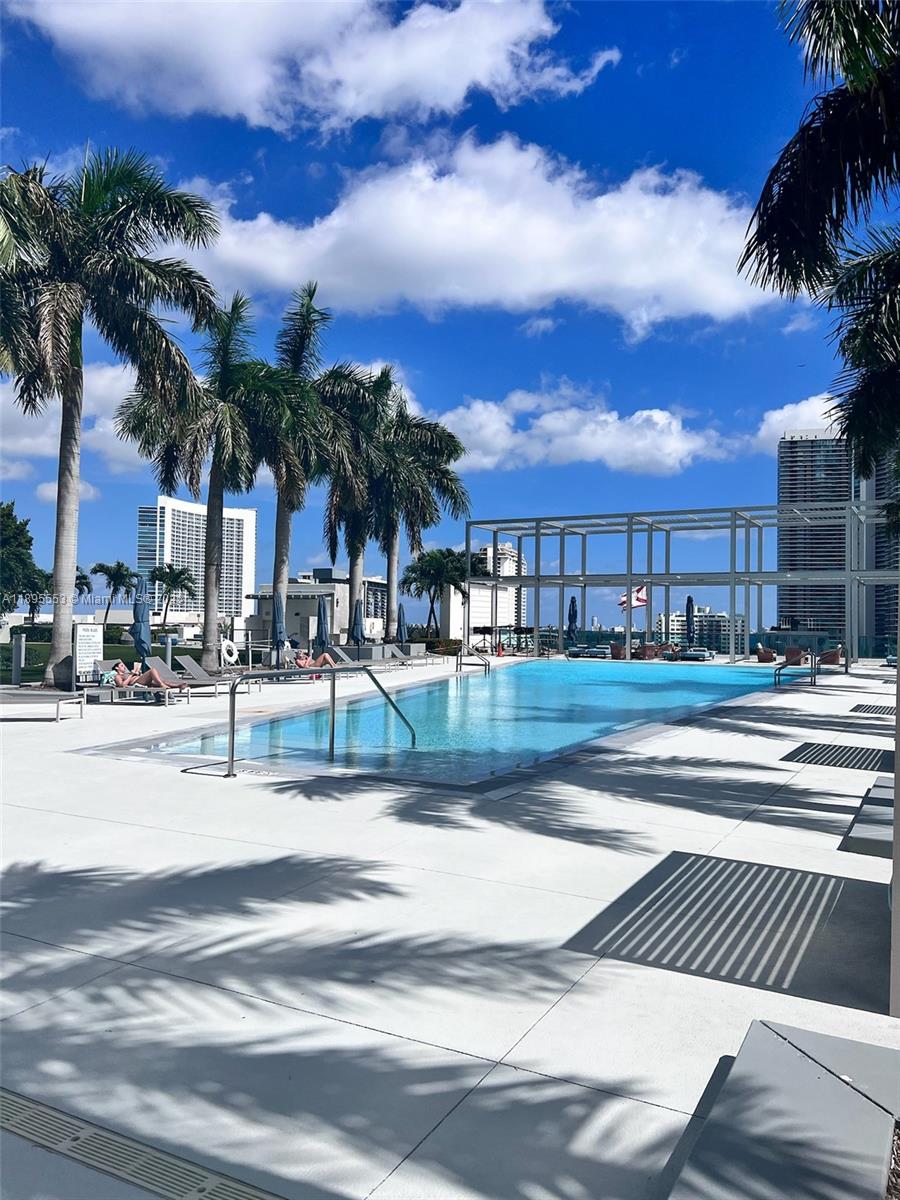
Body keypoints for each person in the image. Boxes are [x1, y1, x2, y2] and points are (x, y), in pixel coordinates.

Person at [110, 660, 186, 690]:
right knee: (152, 670)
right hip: (137, 682)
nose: (124, 667)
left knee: (162, 680)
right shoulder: (118, 676)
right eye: (121, 666)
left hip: (140, 679)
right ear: (117, 668)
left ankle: (178, 686)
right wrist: (131, 675)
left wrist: (137, 673)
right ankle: (161, 684)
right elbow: (122, 685)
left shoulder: (126, 673)